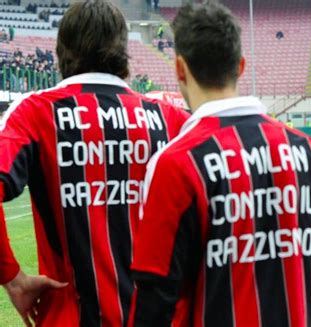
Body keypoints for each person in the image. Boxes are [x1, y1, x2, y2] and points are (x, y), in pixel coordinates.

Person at [129, 2, 311, 326]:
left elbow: (154, 296)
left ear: (179, 69)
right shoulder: (306, 151)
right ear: (241, 66)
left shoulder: (176, 163)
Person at [0, 1, 189, 326]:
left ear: (61, 51)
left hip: (69, 316)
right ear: (123, 52)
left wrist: (12, 277)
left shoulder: (34, 113)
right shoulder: (169, 119)